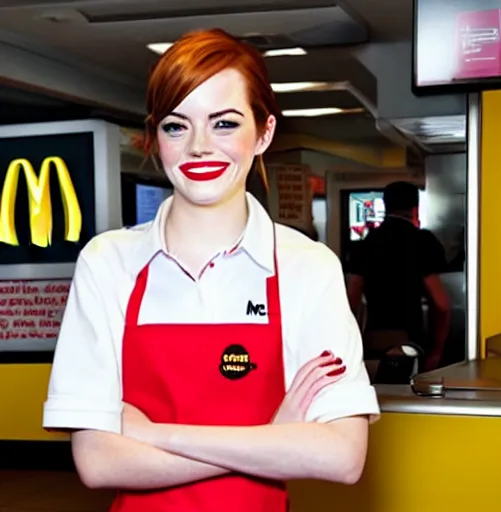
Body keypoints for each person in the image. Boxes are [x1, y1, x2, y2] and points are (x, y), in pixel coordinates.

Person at [43, 28, 379, 512]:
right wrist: (272, 440)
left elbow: (342, 456)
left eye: (224, 124)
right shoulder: (108, 262)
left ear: (263, 133)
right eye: (176, 126)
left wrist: (152, 433)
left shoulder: (308, 267)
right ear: (156, 137)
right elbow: (98, 461)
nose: (199, 146)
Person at [347, 181, 451, 373]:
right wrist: (437, 350)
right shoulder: (422, 242)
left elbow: (351, 302)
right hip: (410, 341)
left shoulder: (366, 244)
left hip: (373, 340)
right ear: (415, 209)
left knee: (380, 397)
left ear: (385, 206)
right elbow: (441, 304)